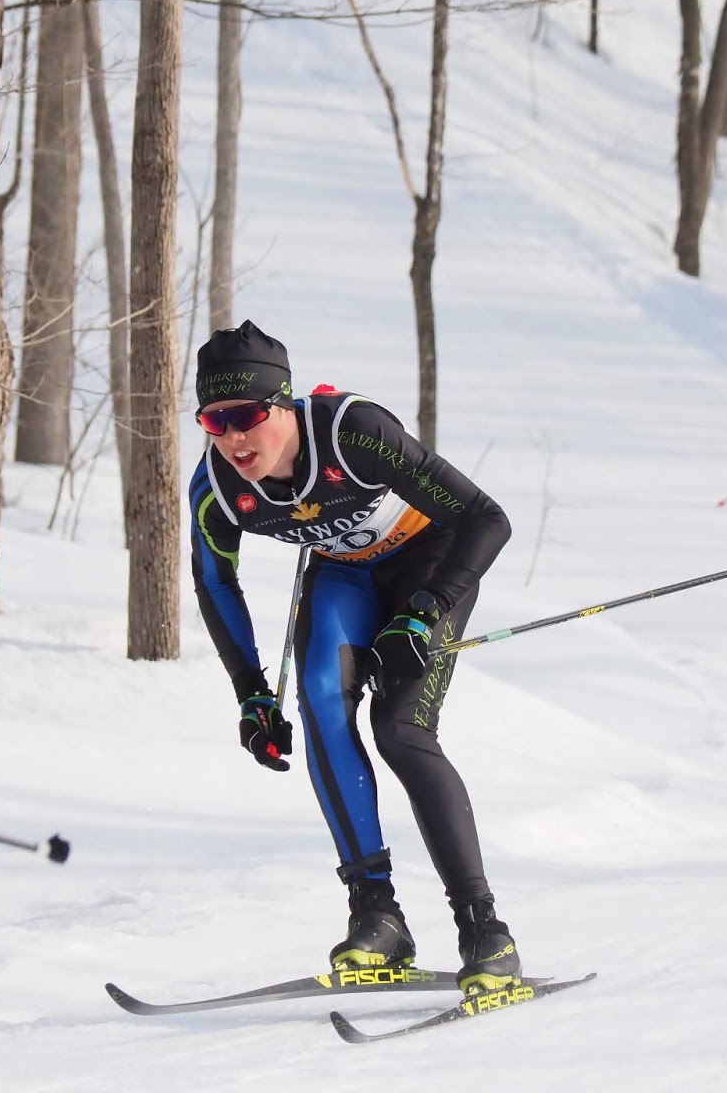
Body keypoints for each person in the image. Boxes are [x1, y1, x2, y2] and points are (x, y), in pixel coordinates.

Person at [187, 320, 521, 993]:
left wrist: (423, 613)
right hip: (346, 577)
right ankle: (378, 916)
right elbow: (215, 583)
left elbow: (486, 519)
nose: (233, 438)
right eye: (214, 422)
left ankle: (484, 928)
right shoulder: (218, 487)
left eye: (246, 416)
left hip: (430, 564)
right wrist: (252, 694)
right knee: (320, 702)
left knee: (399, 728)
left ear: (283, 404)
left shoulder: (352, 432)